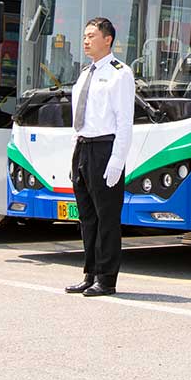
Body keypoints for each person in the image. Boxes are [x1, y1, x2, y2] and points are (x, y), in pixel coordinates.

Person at [67, 17, 135, 298]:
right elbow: (79, 119)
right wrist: (74, 156)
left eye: (92, 36)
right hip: (83, 148)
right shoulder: (85, 73)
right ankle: (90, 273)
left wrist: (117, 161)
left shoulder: (120, 73)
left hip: (105, 148)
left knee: (106, 217)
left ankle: (106, 279)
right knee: (87, 217)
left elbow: (124, 122)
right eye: (84, 36)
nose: (86, 41)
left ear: (108, 40)